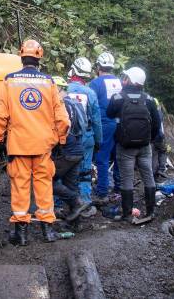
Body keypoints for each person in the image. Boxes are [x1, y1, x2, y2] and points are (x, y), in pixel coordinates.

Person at [0, 40, 70, 245]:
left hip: (18, 146)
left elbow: (0, 116)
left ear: (21, 57)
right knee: (44, 186)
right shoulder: (49, 82)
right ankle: (48, 231)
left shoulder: (9, 81)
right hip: (44, 145)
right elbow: (62, 118)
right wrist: (61, 140)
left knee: (20, 186)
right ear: (39, 58)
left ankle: (21, 234)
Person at [106, 66, 161, 221]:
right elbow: (157, 123)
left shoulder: (118, 98)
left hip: (125, 147)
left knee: (127, 179)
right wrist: (149, 140)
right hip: (144, 146)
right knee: (148, 177)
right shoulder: (149, 100)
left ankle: (127, 214)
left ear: (129, 80)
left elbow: (109, 113)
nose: (124, 79)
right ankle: (151, 211)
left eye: (126, 77)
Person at [66, 57, 102, 217]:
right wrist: (98, 141)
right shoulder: (90, 93)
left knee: (61, 170)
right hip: (86, 137)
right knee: (85, 171)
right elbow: (96, 120)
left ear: (73, 71)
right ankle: (85, 203)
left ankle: (60, 204)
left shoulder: (62, 89)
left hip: (64, 137)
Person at [51, 76, 90, 221]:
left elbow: (59, 130)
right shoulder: (76, 103)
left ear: (57, 88)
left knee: (45, 181)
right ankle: (75, 223)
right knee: (71, 185)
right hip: (78, 150)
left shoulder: (59, 105)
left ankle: (77, 201)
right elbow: (83, 126)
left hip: (66, 151)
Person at [88, 52, 122, 205]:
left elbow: (91, 106)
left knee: (102, 157)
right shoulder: (120, 82)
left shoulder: (95, 83)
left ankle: (102, 191)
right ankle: (119, 188)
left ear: (98, 67)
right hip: (121, 123)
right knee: (118, 156)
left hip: (105, 124)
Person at [151, 97, 169, 182]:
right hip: (159, 136)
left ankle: (154, 173)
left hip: (153, 137)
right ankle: (161, 169)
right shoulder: (159, 113)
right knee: (163, 151)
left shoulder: (150, 112)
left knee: (154, 154)